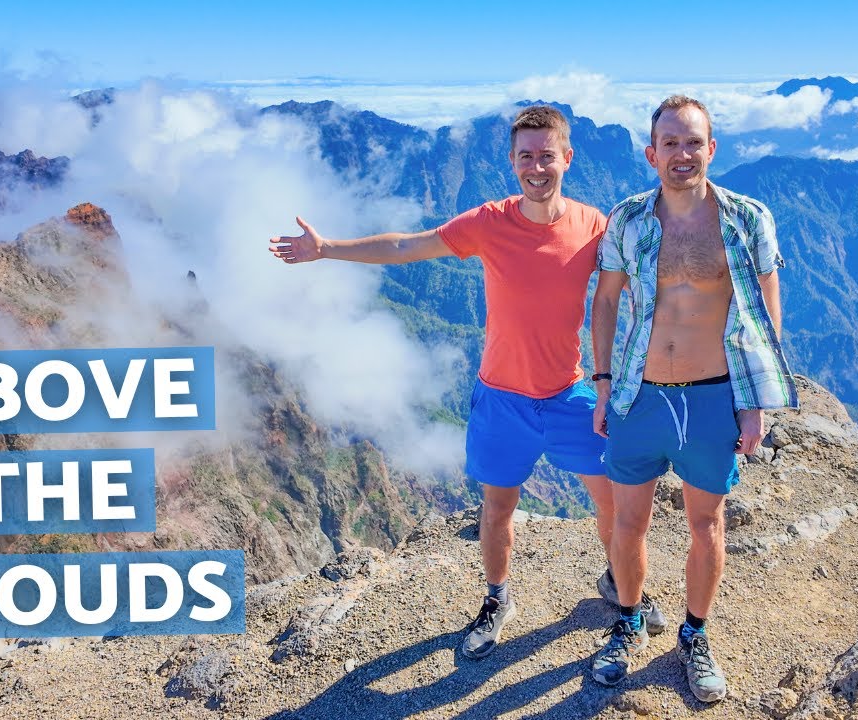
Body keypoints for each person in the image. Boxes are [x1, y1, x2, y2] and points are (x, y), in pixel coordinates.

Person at [270, 105, 664, 660]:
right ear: (511, 161)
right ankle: (496, 599)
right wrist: (327, 249)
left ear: (567, 159)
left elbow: (640, 276)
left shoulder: (593, 226)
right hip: (501, 397)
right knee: (498, 509)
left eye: (546, 155)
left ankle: (623, 589)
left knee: (612, 508)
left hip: (571, 394)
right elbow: (408, 246)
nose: (536, 167)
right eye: (525, 156)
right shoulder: (488, 222)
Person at [588, 95, 799, 701]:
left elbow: (765, 311)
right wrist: (603, 383)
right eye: (671, 144)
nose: (683, 154)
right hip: (639, 392)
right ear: (652, 153)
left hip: (712, 394)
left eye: (693, 142)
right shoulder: (627, 219)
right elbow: (605, 303)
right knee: (629, 522)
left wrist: (753, 399)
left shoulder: (747, 218)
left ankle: (695, 634)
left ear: (713, 148)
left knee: (707, 522)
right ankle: (628, 622)